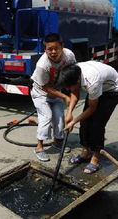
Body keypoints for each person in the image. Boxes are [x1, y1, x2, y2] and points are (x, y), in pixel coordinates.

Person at [55, 61, 118, 174]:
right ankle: (85, 152)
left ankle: (95, 158)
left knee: (97, 124)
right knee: (85, 122)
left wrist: (73, 121)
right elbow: (74, 93)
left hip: (112, 91)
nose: (67, 89)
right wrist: (69, 112)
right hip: (98, 88)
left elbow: (92, 109)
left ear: (77, 80)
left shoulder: (92, 81)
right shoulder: (74, 73)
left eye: (68, 87)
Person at [30, 33, 76, 162]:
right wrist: (64, 97)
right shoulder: (42, 65)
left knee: (59, 117)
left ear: (62, 46)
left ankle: (57, 142)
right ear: (45, 49)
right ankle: (39, 147)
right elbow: (45, 87)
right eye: (50, 49)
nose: (53, 52)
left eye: (56, 48)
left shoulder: (69, 56)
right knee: (46, 116)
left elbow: (72, 73)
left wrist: (72, 93)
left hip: (56, 91)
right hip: (41, 94)